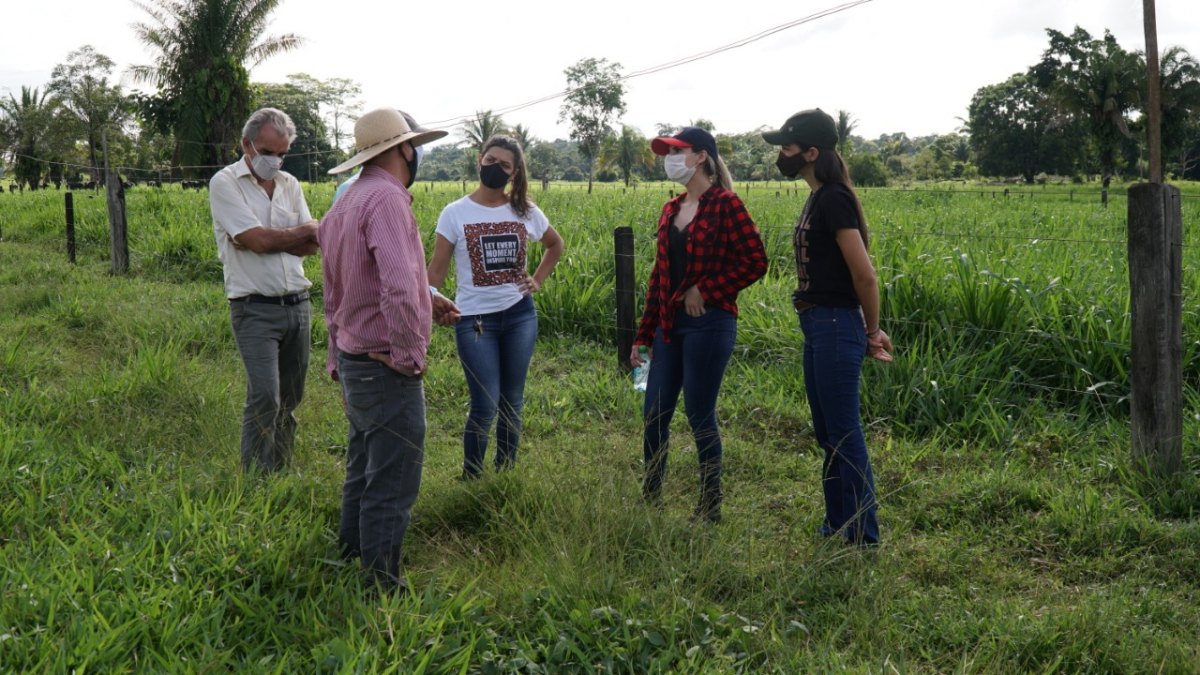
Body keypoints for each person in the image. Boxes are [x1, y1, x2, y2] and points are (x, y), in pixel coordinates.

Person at [318, 107, 458, 591]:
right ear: (403, 149)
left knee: (363, 464)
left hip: (357, 358)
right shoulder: (388, 201)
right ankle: (380, 582)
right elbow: (397, 289)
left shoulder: (345, 202)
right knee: (393, 477)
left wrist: (337, 356)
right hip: (384, 364)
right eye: (414, 145)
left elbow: (335, 288)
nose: (416, 153)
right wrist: (409, 358)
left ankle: (351, 552)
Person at [761, 108, 894, 546]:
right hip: (818, 323)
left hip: (837, 323)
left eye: (788, 147)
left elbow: (865, 275)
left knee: (843, 430)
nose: (781, 154)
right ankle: (837, 523)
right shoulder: (818, 196)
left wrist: (872, 331)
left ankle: (862, 534)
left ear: (812, 152)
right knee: (827, 431)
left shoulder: (834, 198)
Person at [631, 126, 767, 523]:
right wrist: (644, 334)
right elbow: (660, 276)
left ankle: (710, 506)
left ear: (701, 157)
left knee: (698, 412)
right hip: (668, 327)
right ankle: (651, 494)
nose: (670, 159)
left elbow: (755, 261)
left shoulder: (727, 205)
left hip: (709, 324)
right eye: (668, 152)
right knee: (654, 411)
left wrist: (704, 290)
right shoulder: (671, 209)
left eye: (679, 151)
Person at [427, 135, 564, 479]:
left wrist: (538, 279)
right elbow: (438, 268)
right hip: (474, 320)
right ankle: (472, 475)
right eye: (491, 161)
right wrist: (428, 297)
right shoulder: (455, 213)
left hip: (520, 315)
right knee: (485, 402)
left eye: (505, 165)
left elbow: (555, 245)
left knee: (512, 401)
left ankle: (505, 473)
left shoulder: (525, 211)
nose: (496, 168)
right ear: (479, 160)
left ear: (514, 172)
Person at [209, 107, 320, 474]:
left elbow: (310, 244)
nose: (275, 160)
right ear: (247, 144)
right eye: (268, 152)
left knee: (291, 398)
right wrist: (283, 235)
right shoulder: (225, 183)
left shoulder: (290, 185)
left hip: (298, 305)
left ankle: (281, 470)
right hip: (254, 307)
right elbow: (255, 240)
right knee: (264, 396)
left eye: (282, 153)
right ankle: (256, 477)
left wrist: (269, 239)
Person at [331, 111, 430, 206]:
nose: (416, 151)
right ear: (402, 148)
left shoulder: (354, 187)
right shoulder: (385, 195)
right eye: (412, 144)